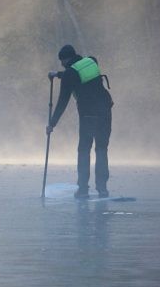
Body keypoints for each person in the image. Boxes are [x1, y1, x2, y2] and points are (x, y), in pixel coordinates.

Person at [46, 44, 113, 199]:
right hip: (105, 112)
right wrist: (58, 74)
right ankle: (102, 189)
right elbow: (78, 74)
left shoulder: (69, 75)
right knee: (101, 150)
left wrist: (52, 124)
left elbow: (62, 102)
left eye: (62, 61)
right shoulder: (91, 61)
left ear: (64, 60)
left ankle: (83, 189)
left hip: (88, 115)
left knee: (84, 150)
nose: (62, 64)